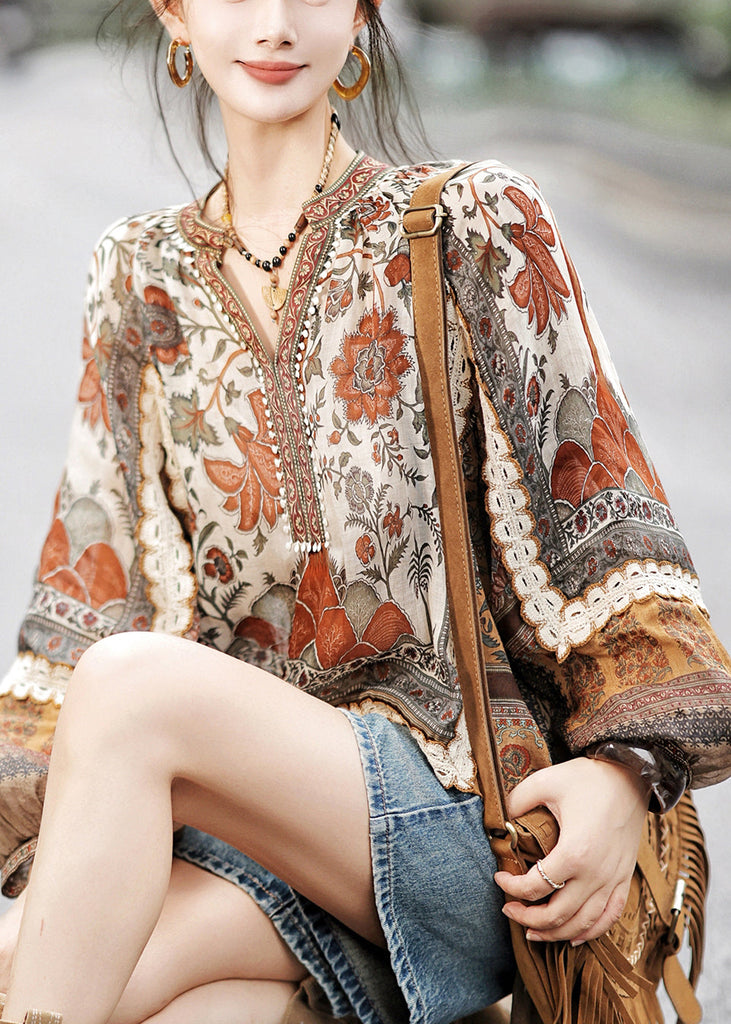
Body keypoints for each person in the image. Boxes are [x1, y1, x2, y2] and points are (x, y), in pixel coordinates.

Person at [0, 1, 730, 1022]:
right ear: (172, 12)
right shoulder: (138, 280)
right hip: (247, 840)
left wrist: (622, 775)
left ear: (359, 10)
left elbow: (606, 525)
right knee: (123, 988)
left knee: (126, 695)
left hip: (466, 826)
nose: (274, 23)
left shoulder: (472, 220)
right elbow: (91, 593)